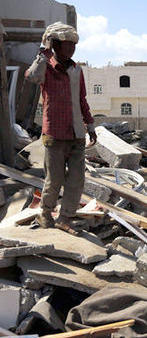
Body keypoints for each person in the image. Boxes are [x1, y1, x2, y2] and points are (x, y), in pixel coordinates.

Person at [25, 22, 97, 234]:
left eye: (74, 45)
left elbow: (82, 99)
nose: (72, 49)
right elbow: (31, 77)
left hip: (76, 133)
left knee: (76, 181)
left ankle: (65, 218)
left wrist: (90, 125)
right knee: (54, 181)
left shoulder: (76, 70)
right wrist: (43, 54)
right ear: (54, 45)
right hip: (54, 135)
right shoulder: (44, 68)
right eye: (67, 44)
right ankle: (46, 214)